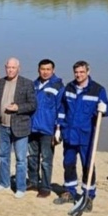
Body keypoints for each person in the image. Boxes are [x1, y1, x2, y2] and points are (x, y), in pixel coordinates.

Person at [54, 60, 108, 209]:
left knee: (88, 166)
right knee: (68, 164)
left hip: (87, 135)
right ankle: (69, 191)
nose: (79, 75)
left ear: (88, 72)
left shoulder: (97, 90)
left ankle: (88, 195)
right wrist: (58, 128)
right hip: (69, 134)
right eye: (76, 72)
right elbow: (62, 109)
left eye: (82, 72)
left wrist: (104, 109)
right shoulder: (69, 88)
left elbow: (107, 110)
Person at [0, 58, 37, 198]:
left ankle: (20, 187)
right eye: (8, 67)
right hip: (3, 126)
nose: (10, 70)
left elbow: (33, 105)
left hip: (20, 127)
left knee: (21, 159)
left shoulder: (26, 83)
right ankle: (4, 183)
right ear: (5, 68)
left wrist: (18, 108)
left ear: (18, 68)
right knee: (3, 156)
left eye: (13, 67)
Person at [28, 59, 65, 198]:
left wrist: (58, 129)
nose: (45, 72)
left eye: (48, 69)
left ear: (53, 70)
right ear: (38, 70)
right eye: (42, 69)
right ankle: (32, 182)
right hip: (33, 128)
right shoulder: (34, 85)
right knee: (31, 157)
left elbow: (61, 109)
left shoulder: (58, 86)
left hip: (48, 129)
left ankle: (45, 187)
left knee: (46, 160)